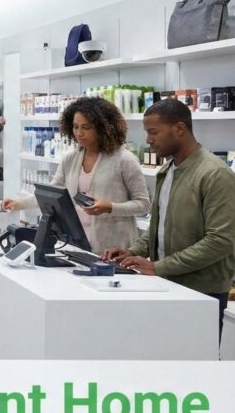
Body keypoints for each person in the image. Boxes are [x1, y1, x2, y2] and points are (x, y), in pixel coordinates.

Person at [101, 100, 235, 339]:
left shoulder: (215, 174)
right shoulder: (167, 171)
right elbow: (159, 227)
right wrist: (133, 252)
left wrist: (158, 266)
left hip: (203, 292)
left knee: (196, 364)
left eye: (153, 132)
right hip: (168, 283)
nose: (149, 140)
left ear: (180, 129)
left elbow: (221, 240)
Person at [1, 97, 150, 254]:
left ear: (103, 127)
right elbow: (50, 192)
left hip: (113, 247)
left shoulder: (124, 160)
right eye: (75, 127)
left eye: (86, 127)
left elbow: (143, 204)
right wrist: (19, 204)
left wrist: (109, 207)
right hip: (77, 245)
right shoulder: (70, 159)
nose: (79, 133)